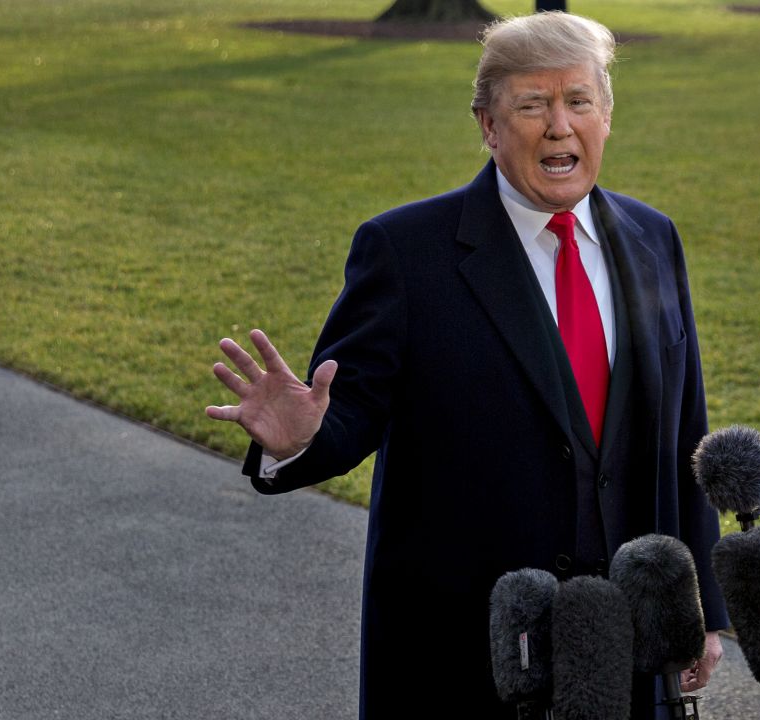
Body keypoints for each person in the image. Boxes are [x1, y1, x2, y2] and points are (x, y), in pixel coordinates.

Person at [206, 12, 727, 719]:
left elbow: (684, 437)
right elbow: (348, 413)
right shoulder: (407, 251)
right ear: (488, 125)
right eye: (531, 105)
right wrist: (300, 439)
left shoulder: (652, 237)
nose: (558, 126)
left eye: (578, 101)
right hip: (463, 650)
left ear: (606, 115)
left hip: (624, 646)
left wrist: (699, 607)